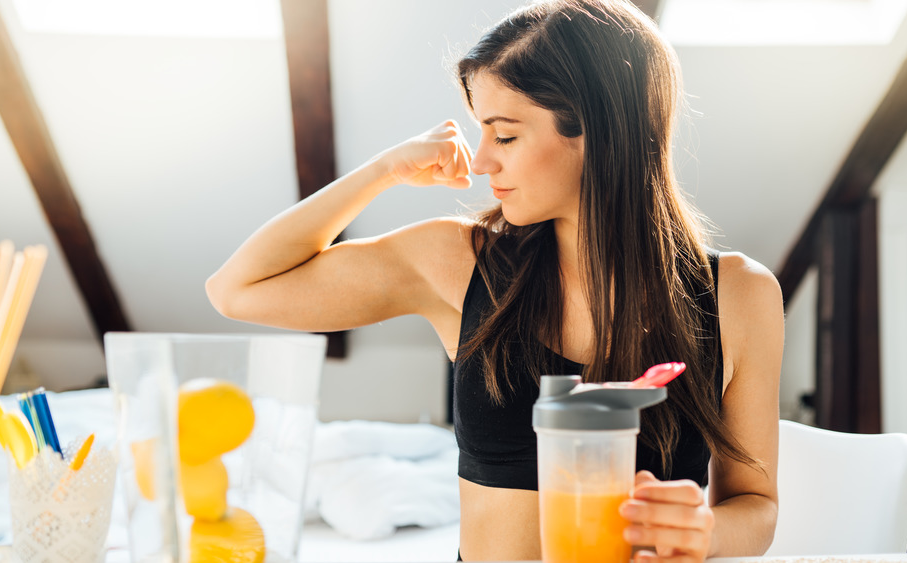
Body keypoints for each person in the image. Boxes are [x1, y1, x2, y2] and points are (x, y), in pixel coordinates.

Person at [206, 0, 783, 561]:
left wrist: (703, 531)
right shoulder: (455, 263)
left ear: (599, 133)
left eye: (504, 135)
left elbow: (755, 507)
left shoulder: (739, 295)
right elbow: (239, 289)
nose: (481, 161)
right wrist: (385, 170)